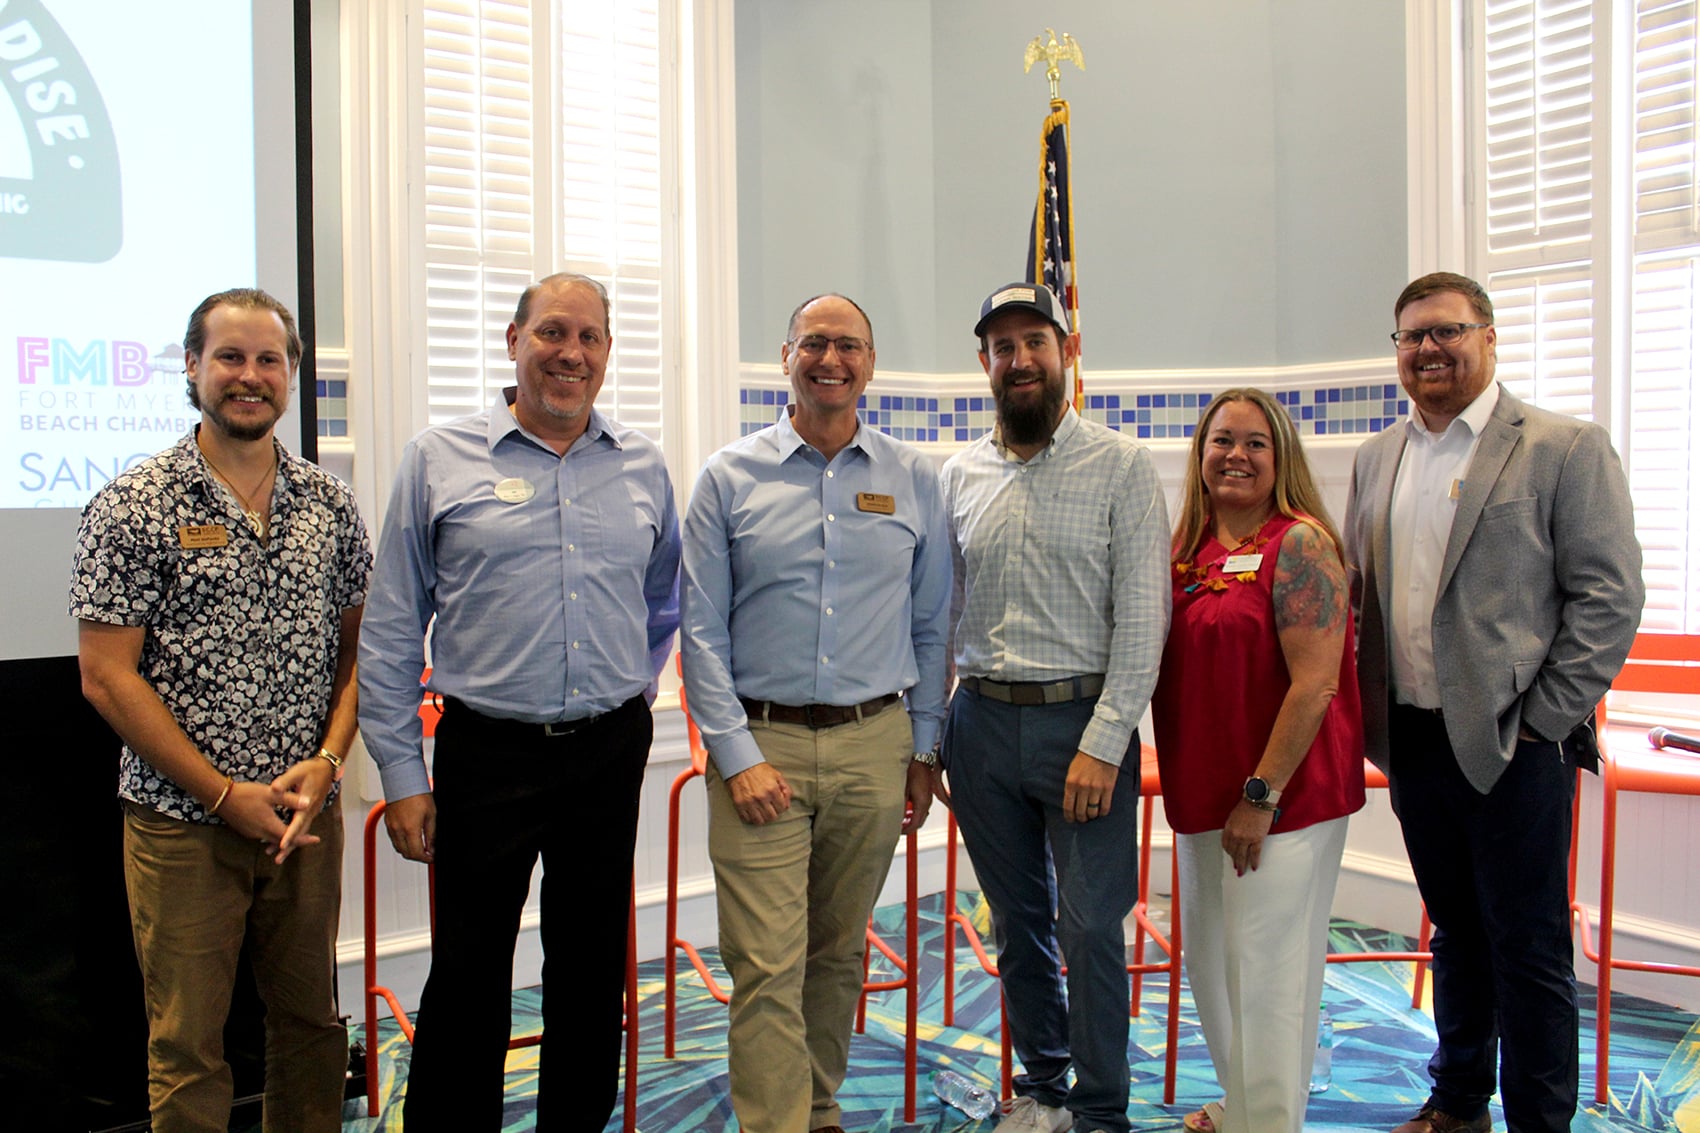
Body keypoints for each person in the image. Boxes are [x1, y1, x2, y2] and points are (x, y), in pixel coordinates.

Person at [357, 272, 681, 1132]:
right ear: (512, 340)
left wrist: (628, 690)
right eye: (550, 333)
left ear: (608, 353)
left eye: (588, 337)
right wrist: (400, 769)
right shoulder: (438, 458)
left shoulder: (644, 464)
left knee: (587, 975)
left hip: (607, 753)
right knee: (467, 975)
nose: (569, 353)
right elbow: (392, 626)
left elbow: (662, 603)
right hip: (485, 755)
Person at [1346, 271, 1643, 1133]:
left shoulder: (1562, 447)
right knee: (1456, 935)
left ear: (1488, 336)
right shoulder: (1377, 457)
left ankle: (1540, 1122)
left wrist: (1545, 720)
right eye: (1411, 336)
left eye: (1448, 331)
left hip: (1518, 743)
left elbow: (1609, 598)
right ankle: (1459, 1100)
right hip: (1409, 738)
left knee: (1530, 948)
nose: (1429, 348)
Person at [72, 287, 370, 1132]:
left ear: (291, 374)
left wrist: (329, 761)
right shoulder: (136, 503)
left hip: (304, 820)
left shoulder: (330, 505)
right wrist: (219, 792)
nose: (250, 376)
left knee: (312, 1025)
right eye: (230, 357)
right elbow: (106, 676)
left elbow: (358, 654)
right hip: (181, 825)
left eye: (268, 359)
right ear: (193, 368)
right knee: (189, 1045)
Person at [680, 293, 950, 1133]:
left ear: (870, 363)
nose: (831, 359)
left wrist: (924, 750)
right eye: (815, 343)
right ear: (785, 354)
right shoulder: (729, 478)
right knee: (765, 961)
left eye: (850, 346)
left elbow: (934, 624)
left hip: (876, 742)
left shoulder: (915, 480)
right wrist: (735, 753)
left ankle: (819, 1104)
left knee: (837, 952)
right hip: (760, 748)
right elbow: (699, 631)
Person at [938, 282, 1170, 1133]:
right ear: (985, 365)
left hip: (1084, 725)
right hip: (982, 728)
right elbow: (942, 618)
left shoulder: (1122, 467)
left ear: (1068, 350)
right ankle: (1043, 1086)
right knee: (1019, 924)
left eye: (1035, 340)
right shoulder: (957, 474)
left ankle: (1103, 1108)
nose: (1020, 359)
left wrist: (1104, 743)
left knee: (1091, 927)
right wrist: (933, 740)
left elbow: (1144, 625)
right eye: (1003, 347)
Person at [1151, 388, 1366, 1133]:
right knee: (1214, 967)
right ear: (1200, 453)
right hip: (1201, 789)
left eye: (1255, 443)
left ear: (1282, 459)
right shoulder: (1185, 547)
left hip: (1282, 797)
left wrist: (1261, 792)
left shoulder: (1299, 543)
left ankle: (1268, 1121)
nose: (1236, 455)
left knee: (1270, 973)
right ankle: (1242, 1102)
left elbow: (1317, 683)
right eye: (1222, 440)